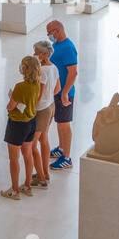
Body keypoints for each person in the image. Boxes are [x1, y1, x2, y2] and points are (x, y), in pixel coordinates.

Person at [1, 56, 42, 200]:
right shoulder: (37, 84)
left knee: (14, 159)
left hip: (17, 124)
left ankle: (14, 190)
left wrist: (11, 101)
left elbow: (10, 106)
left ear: (26, 69)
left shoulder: (20, 87)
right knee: (28, 154)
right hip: (31, 122)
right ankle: (27, 185)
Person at [46, 20, 79, 171]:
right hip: (57, 91)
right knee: (59, 123)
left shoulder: (68, 48)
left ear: (57, 30)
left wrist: (65, 92)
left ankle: (66, 157)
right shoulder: (57, 45)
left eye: (50, 32)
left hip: (65, 93)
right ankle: (61, 147)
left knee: (64, 125)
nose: (49, 36)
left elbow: (73, 73)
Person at [31, 39, 61, 188]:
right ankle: (45, 172)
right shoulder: (54, 68)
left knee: (32, 145)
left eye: (36, 52)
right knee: (44, 139)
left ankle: (41, 178)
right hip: (51, 106)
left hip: (41, 110)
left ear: (43, 54)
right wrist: (49, 98)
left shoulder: (41, 71)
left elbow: (38, 93)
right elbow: (57, 89)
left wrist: (30, 106)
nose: (34, 54)